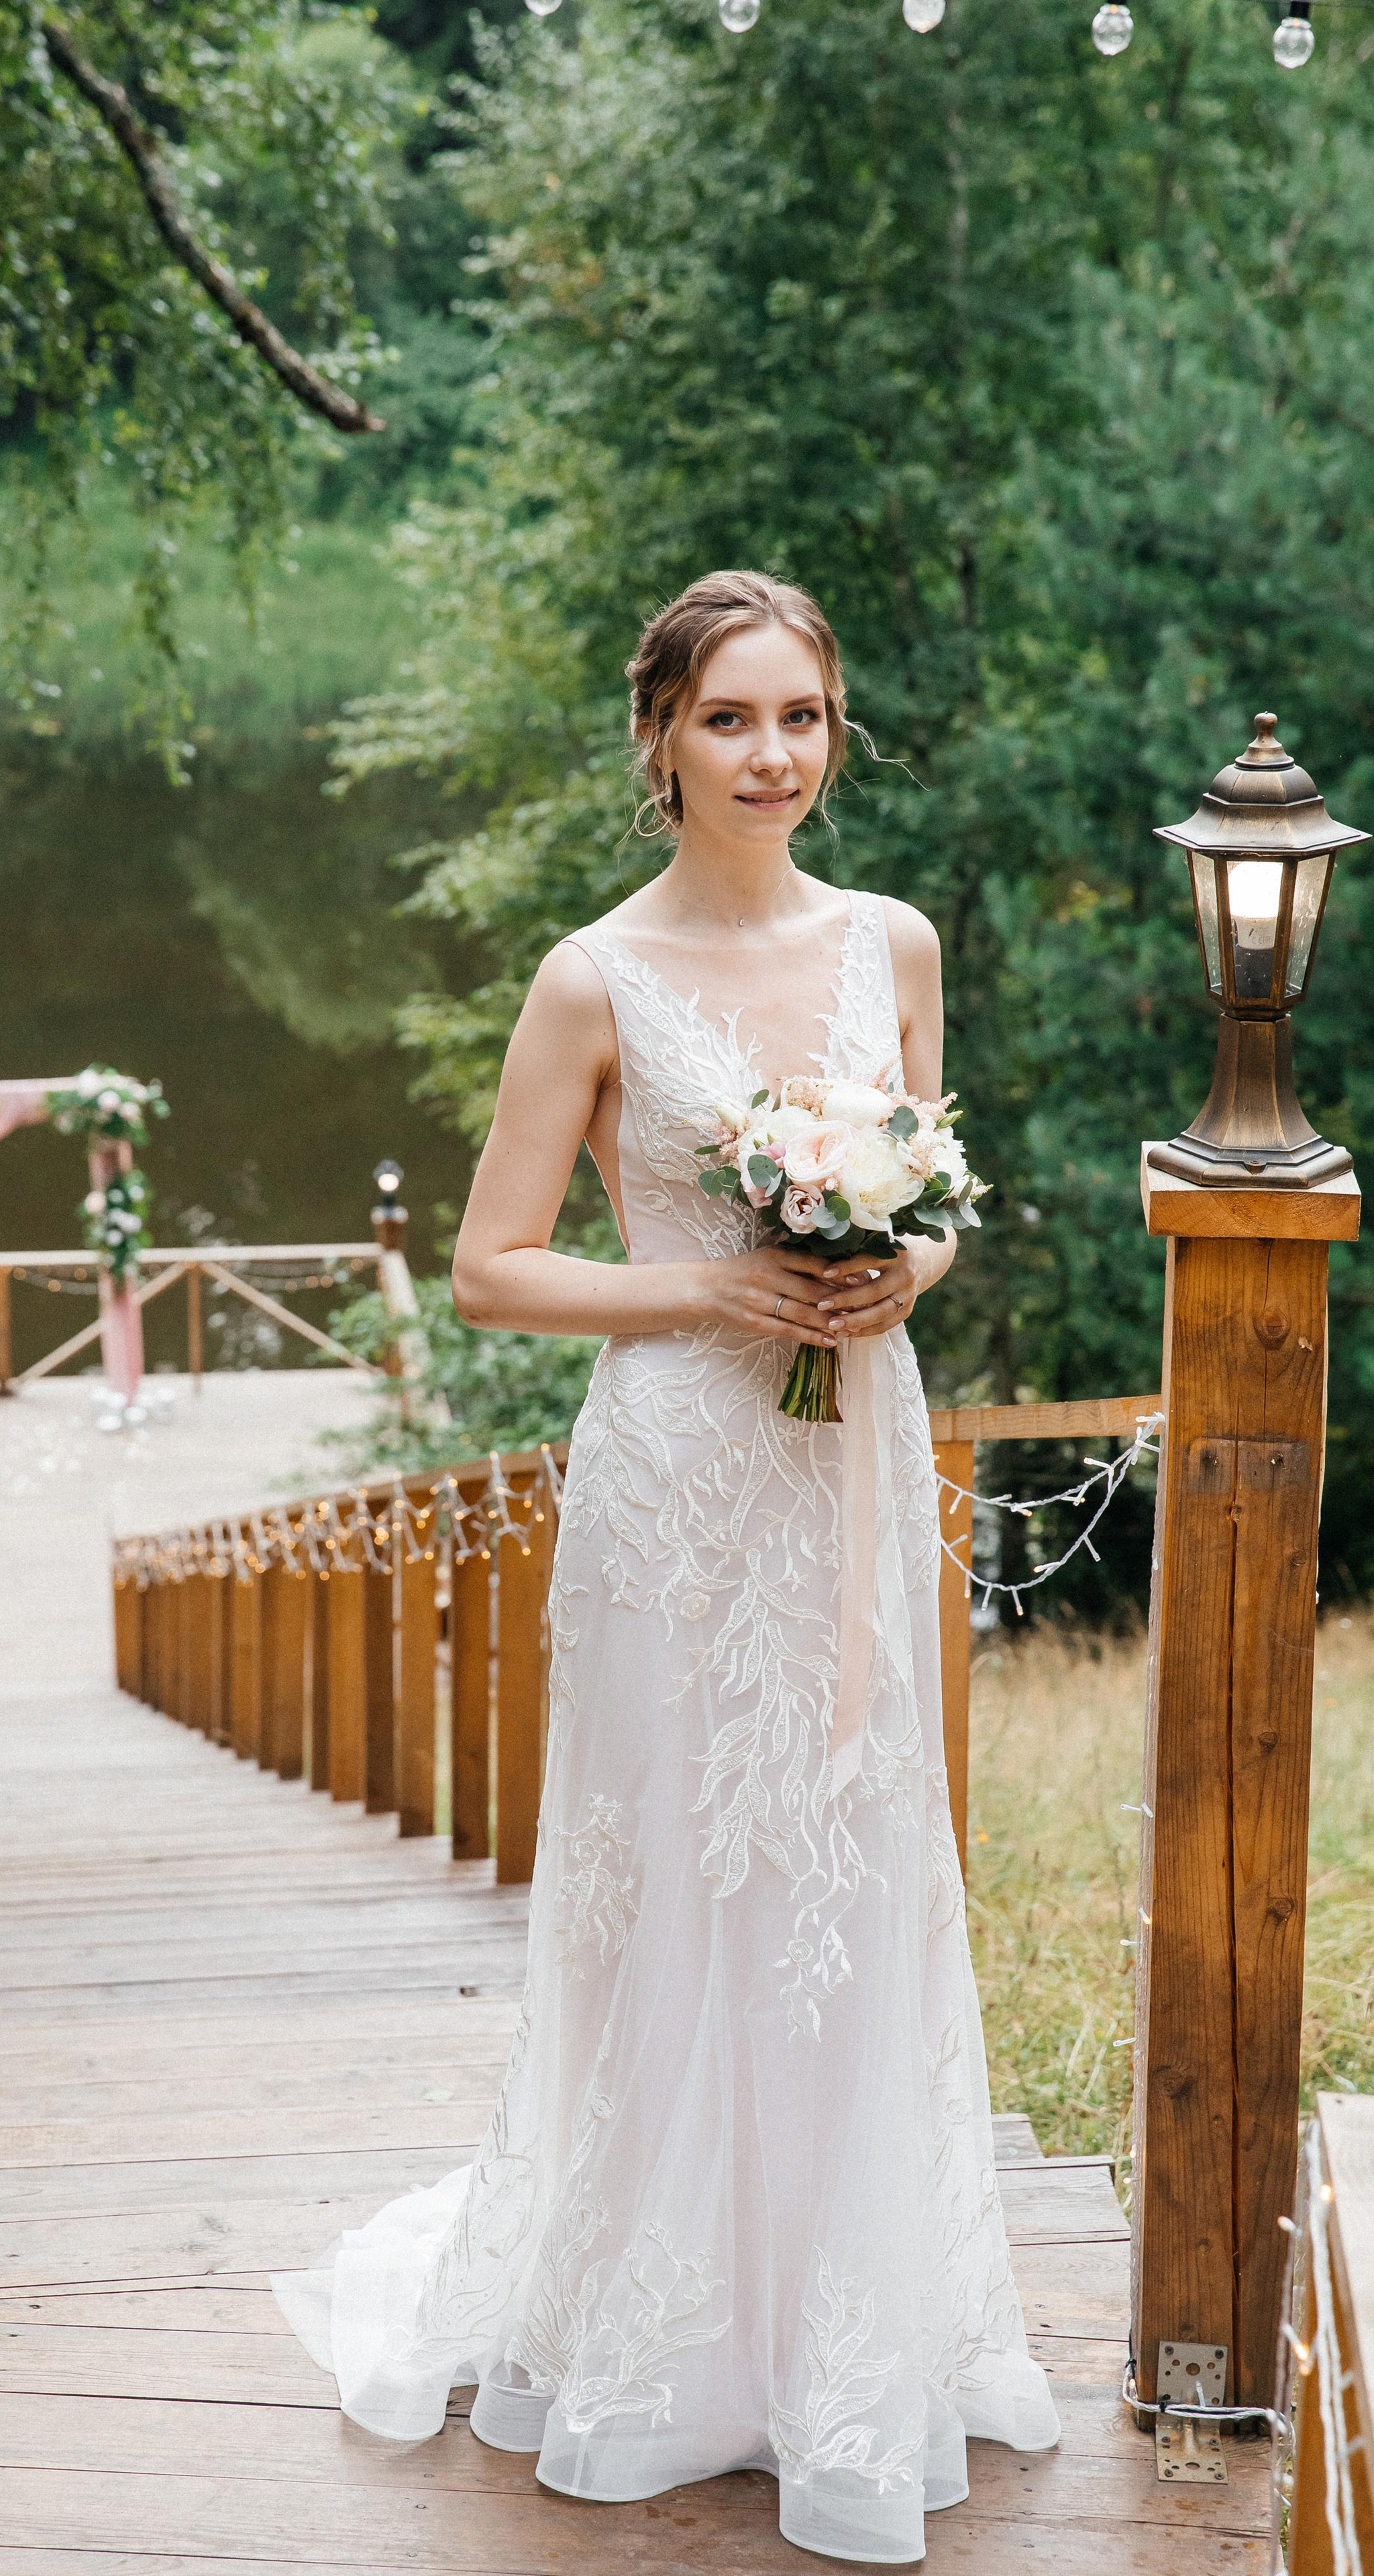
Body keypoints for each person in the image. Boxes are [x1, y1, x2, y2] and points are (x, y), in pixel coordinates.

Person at [272, 570, 1061, 2564]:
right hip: (680, 1477)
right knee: (678, 1882)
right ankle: (658, 2334)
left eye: (801, 718)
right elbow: (490, 1267)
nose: (771, 757)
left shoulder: (894, 941)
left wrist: (901, 1269)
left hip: (851, 1456)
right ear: (661, 741)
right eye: (732, 721)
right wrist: (721, 1288)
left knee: (849, 1860)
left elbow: (941, 1196)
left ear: (833, 730)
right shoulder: (590, 980)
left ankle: (848, 2335)